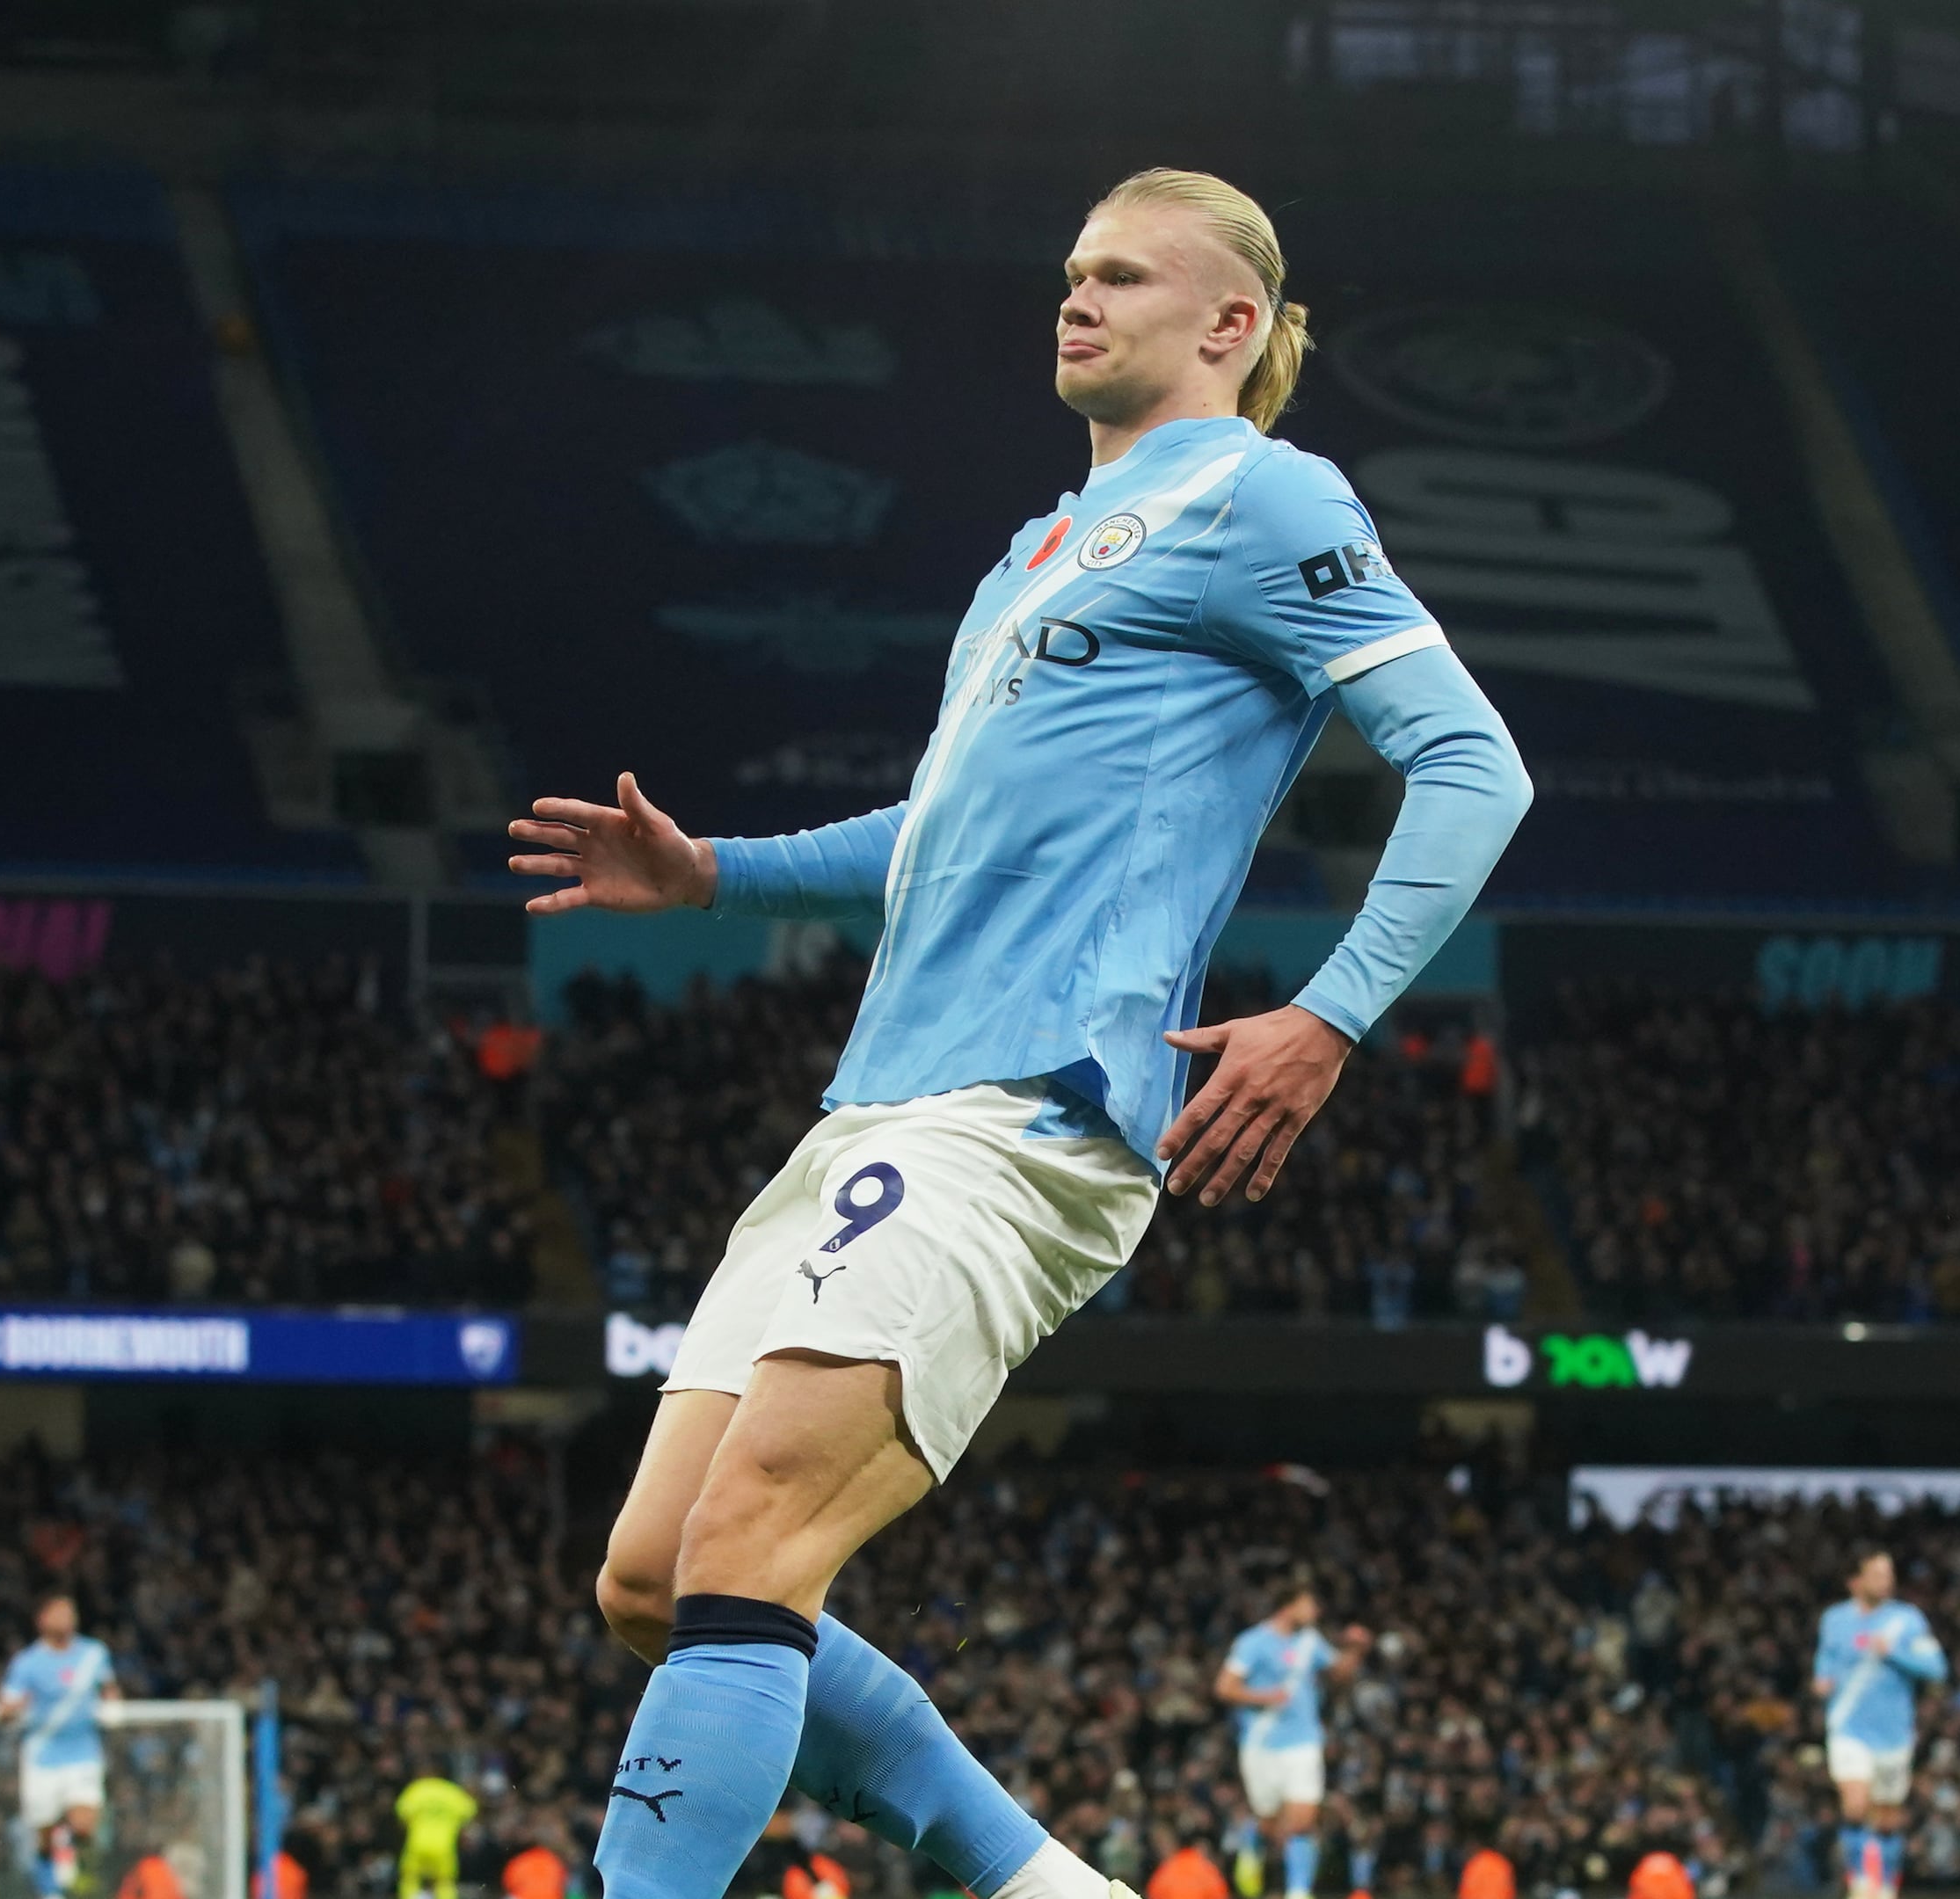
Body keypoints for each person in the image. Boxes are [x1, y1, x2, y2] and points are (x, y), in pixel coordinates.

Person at [512, 164, 1528, 1899]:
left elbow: (1475, 763)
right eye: (1072, 272)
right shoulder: (1028, 557)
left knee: (751, 1548)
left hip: (1022, 1111)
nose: (1078, 298)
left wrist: (1330, 1016)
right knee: (650, 1577)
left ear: (1227, 324)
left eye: (1124, 276)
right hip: (874, 1111)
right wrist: (712, 878)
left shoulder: (1265, 500)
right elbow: (933, 835)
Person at [1215, 1578, 1371, 1899]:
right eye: (1308, 1604)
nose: (1315, 1610)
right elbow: (1225, 1687)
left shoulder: (1310, 1642)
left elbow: (1339, 1673)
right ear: (1289, 1606)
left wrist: (1355, 1649)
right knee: (1271, 1824)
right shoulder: (1253, 1642)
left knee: (1302, 1820)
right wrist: (1265, 1697)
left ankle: (1298, 1892)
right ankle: (1252, 1843)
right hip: (1261, 1745)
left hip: (1303, 1742)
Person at [1813, 1551, 1949, 1899]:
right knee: (1856, 1805)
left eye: (1888, 1574)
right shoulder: (1835, 1619)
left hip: (1892, 1733)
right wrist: (1822, 1678)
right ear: (1855, 1581)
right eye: (1876, 1574)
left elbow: (1936, 1668)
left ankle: (1886, 1883)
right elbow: (1826, 1656)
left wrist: (1893, 1652)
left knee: (1887, 1817)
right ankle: (1860, 1881)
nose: (1885, 1582)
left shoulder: (1907, 1621)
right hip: (1848, 1726)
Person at [0, 1594, 121, 1898]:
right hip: (42, 1757)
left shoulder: (93, 1654)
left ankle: (79, 1882)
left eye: (70, 1611)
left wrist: (113, 1705)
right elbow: (4, 1706)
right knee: (43, 1833)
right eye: (59, 1612)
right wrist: (14, 1708)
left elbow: (108, 1687)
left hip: (83, 1753)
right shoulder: (28, 1662)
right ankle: (50, 1890)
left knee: (84, 1824)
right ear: (42, 1620)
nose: (67, 1618)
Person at [392, 1772, 477, 1899]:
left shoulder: (417, 1789)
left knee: (410, 1877)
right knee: (445, 1882)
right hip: (444, 1846)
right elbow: (470, 1811)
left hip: (417, 1843)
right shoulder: (452, 1791)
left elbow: (401, 1814)